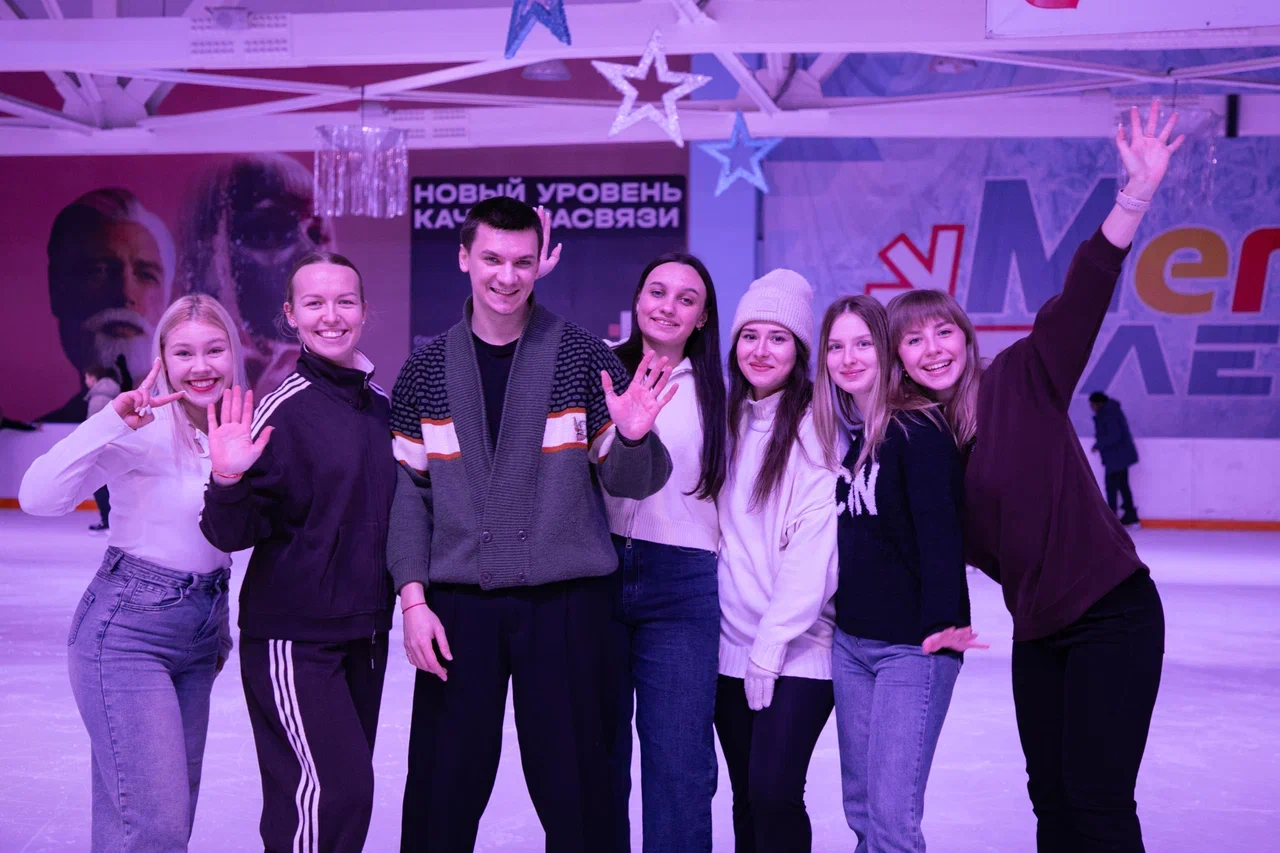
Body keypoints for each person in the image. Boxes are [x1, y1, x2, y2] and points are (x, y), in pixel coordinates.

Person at [887, 100, 1181, 852]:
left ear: (966, 337)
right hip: (1039, 631)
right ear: (900, 361)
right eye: (912, 340)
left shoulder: (1025, 376)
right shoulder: (922, 446)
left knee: (1097, 801)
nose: (932, 348)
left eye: (943, 330)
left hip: (1112, 612)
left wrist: (1135, 194)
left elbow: (1084, 292)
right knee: (1049, 800)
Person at [387, 196, 675, 853]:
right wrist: (413, 602)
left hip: (568, 604)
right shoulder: (425, 371)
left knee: (582, 792)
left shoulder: (583, 357)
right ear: (464, 258)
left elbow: (631, 481)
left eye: (522, 261)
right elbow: (409, 497)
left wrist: (633, 436)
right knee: (440, 792)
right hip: (459, 606)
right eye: (492, 258)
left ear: (540, 263)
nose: (507, 275)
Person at [19, 294, 244, 852]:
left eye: (214, 350)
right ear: (162, 359)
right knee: (154, 826)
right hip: (126, 634)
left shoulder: (238, 424)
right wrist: (109, 423)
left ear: (233, 354)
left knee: (154, 821)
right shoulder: (141, 427)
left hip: (202, 631)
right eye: (184, 353)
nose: (201, 366)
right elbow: (37, 498)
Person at [199, 252, 396, 853]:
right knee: (327, 793)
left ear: (364, 311)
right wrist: (227, 479)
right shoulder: (281, 409)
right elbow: (230, 533)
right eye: (314, 303)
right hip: (295, 637)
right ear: (291, 314)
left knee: (346, 799)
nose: (330, 315)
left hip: (364, 634)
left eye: (344, 301)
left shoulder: (381, 406)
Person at [815, 295, 985, 853]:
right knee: (863, 811)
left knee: (891, 820)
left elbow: (942, 537)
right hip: (852, 644)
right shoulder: (856, 436)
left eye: (863, 343)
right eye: (836, 347)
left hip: (912, 649)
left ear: (887, 350)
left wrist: (942, 631)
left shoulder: (919, 429)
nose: (848, 358)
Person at [604, 252, 727, 853]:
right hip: (596, 571)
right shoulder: (599, 371)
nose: (668, 307)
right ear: (637, 299)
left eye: (687, 299)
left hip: (682, 582)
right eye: (657, 291)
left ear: (702, 318)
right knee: (594, 756)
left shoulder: (722, 394)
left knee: (679, 762)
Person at [714, 269, 838, 853]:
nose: (760, 350)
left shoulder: (817, 429)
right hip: (728, 649)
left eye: (778, 338)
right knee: (745, 797)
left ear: (800, 351)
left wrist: (769, 647)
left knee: (773, 792)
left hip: (797, 649)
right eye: (750, 335)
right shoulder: (727, 421)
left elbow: (816, 554)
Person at [179, 154, 338, 399]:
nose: (308, 253)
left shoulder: (344, 385)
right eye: (269, 232)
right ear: (211, 250)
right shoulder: (169, 390)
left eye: (316, 234)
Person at [42, 187, 175, 422]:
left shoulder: (201, 430)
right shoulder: (38, 436)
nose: (125, 294)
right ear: (58, 291)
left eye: (146, 275)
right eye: (100, 270)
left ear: (169, 300)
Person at [1089, 391, 1140, 526]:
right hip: (1119, 456)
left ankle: (1112, 519)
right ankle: (1130, 516)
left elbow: (1114, 435)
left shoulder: (1108, 414)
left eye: (1092, 405)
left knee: (1111, 487)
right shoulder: (1110, 411)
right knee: (1122, 486)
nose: (1091, 408)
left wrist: (1098, 445)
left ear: (1099, 403)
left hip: (1116, 457)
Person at [83, 365, 122, 532]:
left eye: (86, 377)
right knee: (110, 485)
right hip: (115, 446)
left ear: (93, 377)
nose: (85, 381)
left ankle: (107, 520)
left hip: (102, 448)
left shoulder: (98, 399)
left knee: (98, 484)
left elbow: (94, 428)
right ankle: (112, 520)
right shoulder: (112, 394)